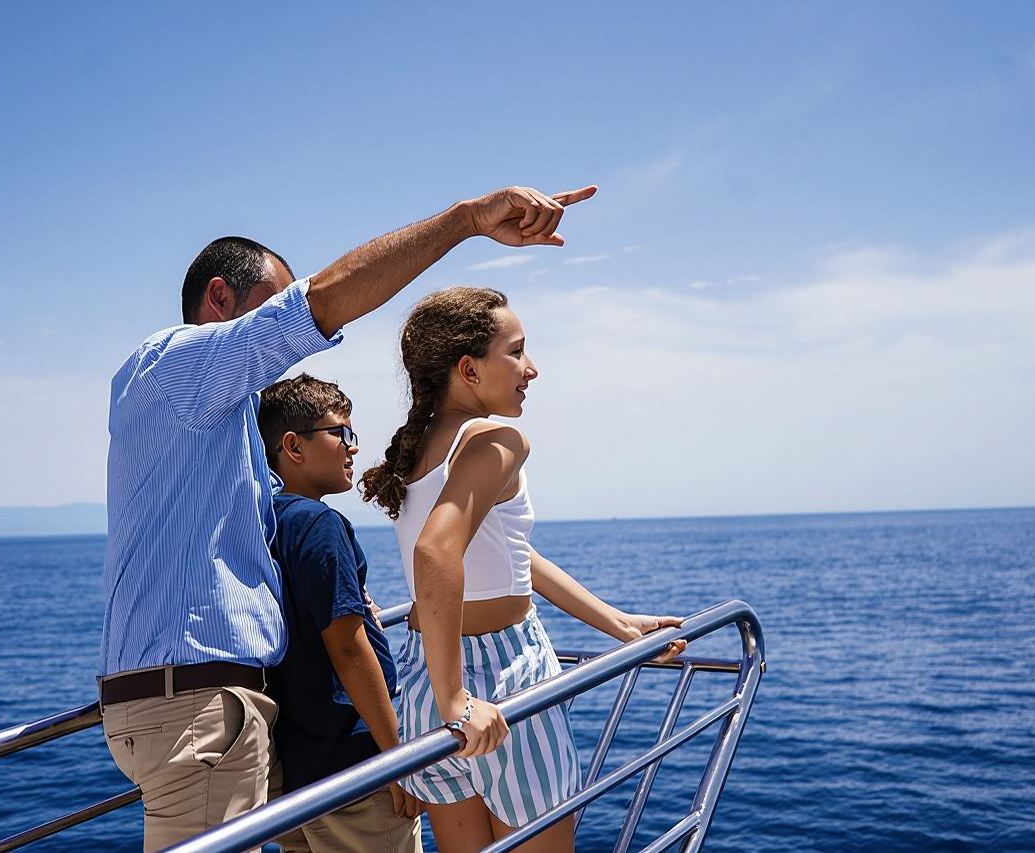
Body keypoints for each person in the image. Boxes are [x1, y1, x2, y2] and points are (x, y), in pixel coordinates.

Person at [97, 184, 596, 853]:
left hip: (191, 706)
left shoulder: (205, 418)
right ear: (220, 298)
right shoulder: (182, 363)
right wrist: (466, 221)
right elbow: (323, 301)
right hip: (199, 706)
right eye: (265, 309)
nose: (286, 353)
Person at [360, 286, 686, 853]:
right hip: (500, 683)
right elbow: (436, 552)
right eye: (516, 352)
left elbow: (508, 556)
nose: (531, 369)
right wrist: (456, 698)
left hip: (422, 675)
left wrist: (620, 625)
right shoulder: (498, 439)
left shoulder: (423, 447)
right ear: (469, 368)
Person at [256, 373, 422, 852]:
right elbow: (348, 647)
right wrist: (400, 758)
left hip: (299, 769)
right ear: (293, 446)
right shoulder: (318, 523)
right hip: (353, 766)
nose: (353, 447)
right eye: (341, 432)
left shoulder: (264, 520)